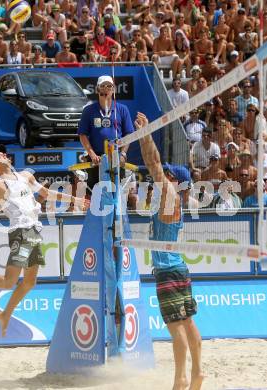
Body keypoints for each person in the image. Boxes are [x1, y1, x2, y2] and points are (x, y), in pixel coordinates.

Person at [0, 144, 89, 337]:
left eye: (4, 153)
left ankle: (5, 313)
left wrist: (76, 200)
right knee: (8, 282)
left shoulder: (25, 176)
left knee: (29, 282)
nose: (4, 155)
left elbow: (48, 194)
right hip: (21, 231)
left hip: (34, 230)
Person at [135, 111, 203, 390]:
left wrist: (145, 134)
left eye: (170, 176)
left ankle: (181, 379)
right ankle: (197, 373)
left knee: (176, 328)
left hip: (168, 271)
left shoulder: (170, 195)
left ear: (178, 181)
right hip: (178, 268)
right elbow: (155, 168)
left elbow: (154, 163)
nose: (164, 177)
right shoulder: (169, 200)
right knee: (188, 324)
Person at [78, 75, 134, 191]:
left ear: (113, 89)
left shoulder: (122, 109)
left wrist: (123, 154)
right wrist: (92, 155)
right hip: (96, 158)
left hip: (116, 156)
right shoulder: (88, 110)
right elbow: (82, 135)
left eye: (109, 86)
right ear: (98, 89)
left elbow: (129, 134)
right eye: (103, 86)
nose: (107, 89)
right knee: (95, 194)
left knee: (117, 193)